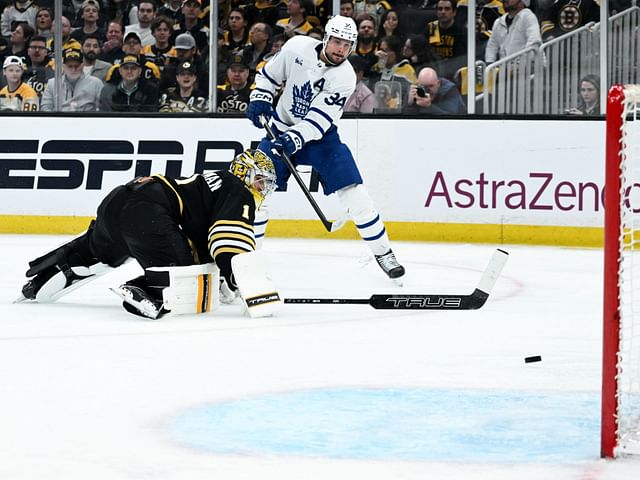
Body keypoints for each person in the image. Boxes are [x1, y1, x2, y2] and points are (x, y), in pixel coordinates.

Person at [19, 149, 277, 319]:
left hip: (121, 201)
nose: (264, 188)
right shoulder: (237, 190)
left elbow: (205, 237)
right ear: (245, 173)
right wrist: (241, 279)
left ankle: (46, 276)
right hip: (146, 214)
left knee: (97, 251)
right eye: (261, 180)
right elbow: (228, 238)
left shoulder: (214, 184)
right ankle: (150, 289)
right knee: (184, 273)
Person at [246, 15, 405, 282]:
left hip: (320, 138)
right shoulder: (296, 47)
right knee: (255, 194)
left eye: (347, 44)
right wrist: (260, 97)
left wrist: (292, 139)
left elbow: (317, 122)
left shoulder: (344, 77)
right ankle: (247, 260)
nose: (341, 49)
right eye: (337, 42)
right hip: (281, 129)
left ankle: (383, 252)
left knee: (356, 195)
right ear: (326, 39)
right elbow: (268, 75)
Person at [40, 47, 104, 111]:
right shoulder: (52, 83)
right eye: (70, 66)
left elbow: (101, 109)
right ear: (63, 66)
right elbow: (45, 108)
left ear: (82, 65)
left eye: (76, 66)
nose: (73, 70)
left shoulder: (96, 83)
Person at [427, 0, 467, 80]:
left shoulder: (461, 31)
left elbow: (461, 60)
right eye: (440, 9)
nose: (443, 12)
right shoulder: (432, 28)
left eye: (447, 9)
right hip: (433, 72)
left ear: (454, 12)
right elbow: (426, 55)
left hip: (454, 75)